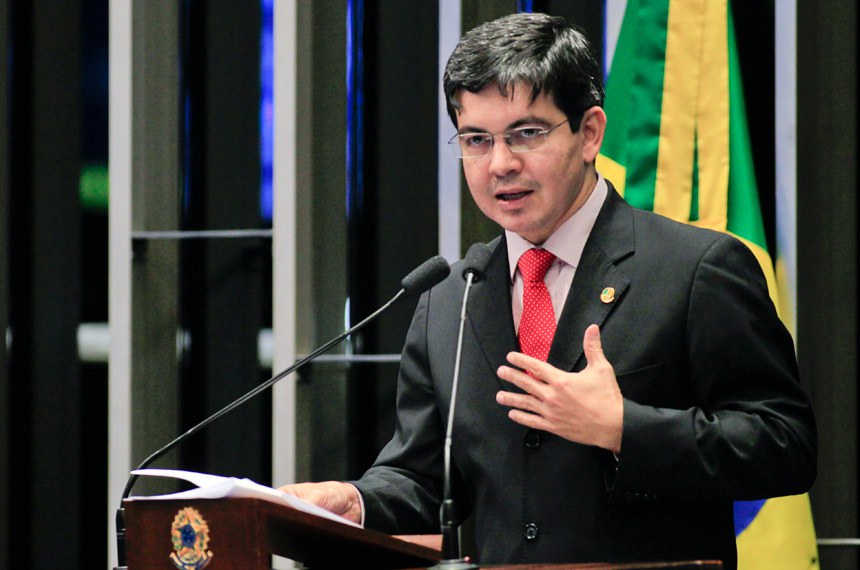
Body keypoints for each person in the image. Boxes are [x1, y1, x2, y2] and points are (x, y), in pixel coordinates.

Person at [280, 12, 816, 568]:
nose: (500, 164)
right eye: (477, 140)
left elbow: (785, 444)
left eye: (527, 134)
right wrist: (357, 501)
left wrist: (624, 428)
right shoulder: (450, 297)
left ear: (590, 133)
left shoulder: (696, 269)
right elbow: (423, 478)